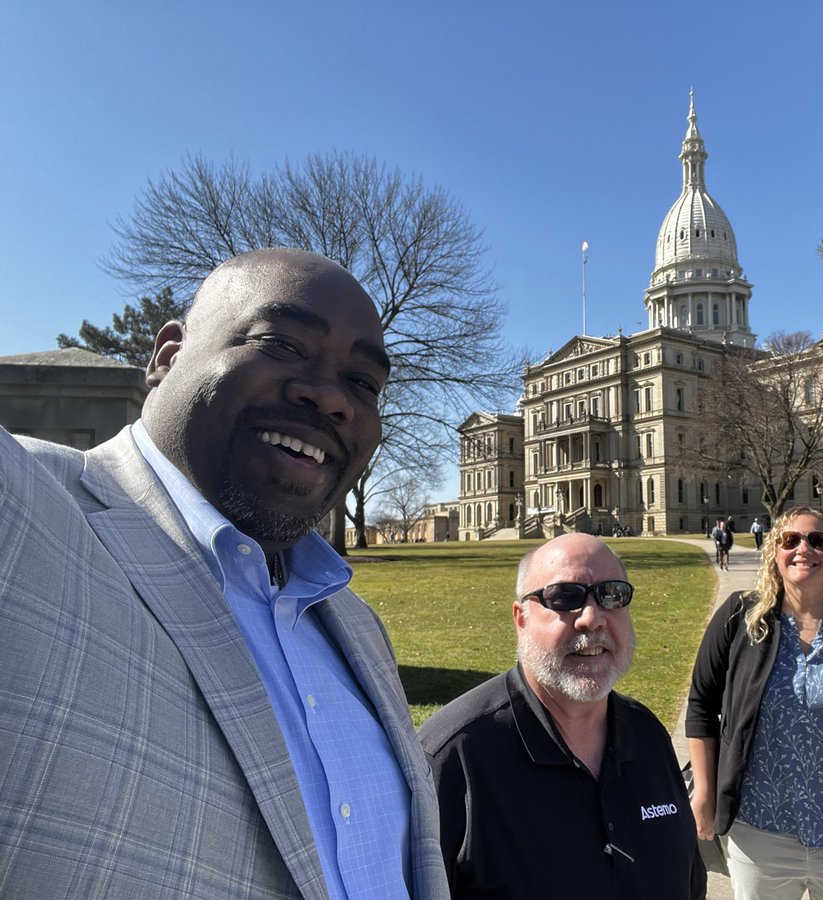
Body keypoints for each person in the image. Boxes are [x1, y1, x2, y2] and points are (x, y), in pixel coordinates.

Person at [0, 249, 449, 900]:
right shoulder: (27, 511)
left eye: (364, 384)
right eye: (282, 343)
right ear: (167, 356)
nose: (329, 396)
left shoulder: (356, 625)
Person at [420, 534, 705, 900]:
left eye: (612, 594)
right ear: (520, 618)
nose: (591, 618)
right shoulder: (450, 758)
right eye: (564, 597)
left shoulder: (647, 733)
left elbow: (689, 882)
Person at [686, 507, 823, 900]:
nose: (804, 548)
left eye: (817, 540)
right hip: (758, 829)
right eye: (790, 540)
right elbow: (702, 703)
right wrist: (703, 791)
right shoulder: (741, 618)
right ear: (775, 552)